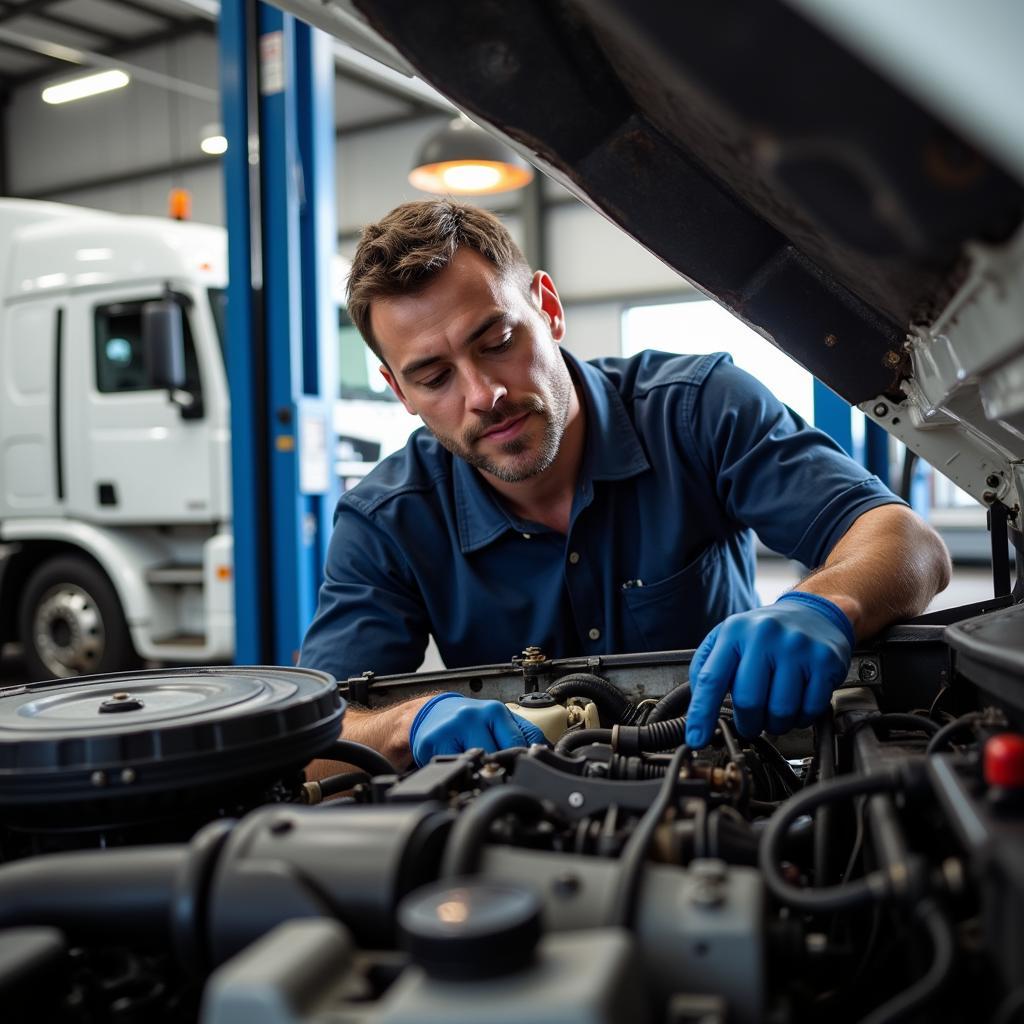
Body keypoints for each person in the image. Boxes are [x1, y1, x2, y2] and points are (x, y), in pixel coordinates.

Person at [300, 199, 951, 771]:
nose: (483, 395)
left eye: (496, 339)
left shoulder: (698, 410)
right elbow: (320, 731)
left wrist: (824, 604)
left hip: (731, 780)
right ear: (399, 392)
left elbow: (908, 544)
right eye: (434, 377)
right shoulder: (387, 518)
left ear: (547, 309)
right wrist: (404, 725)